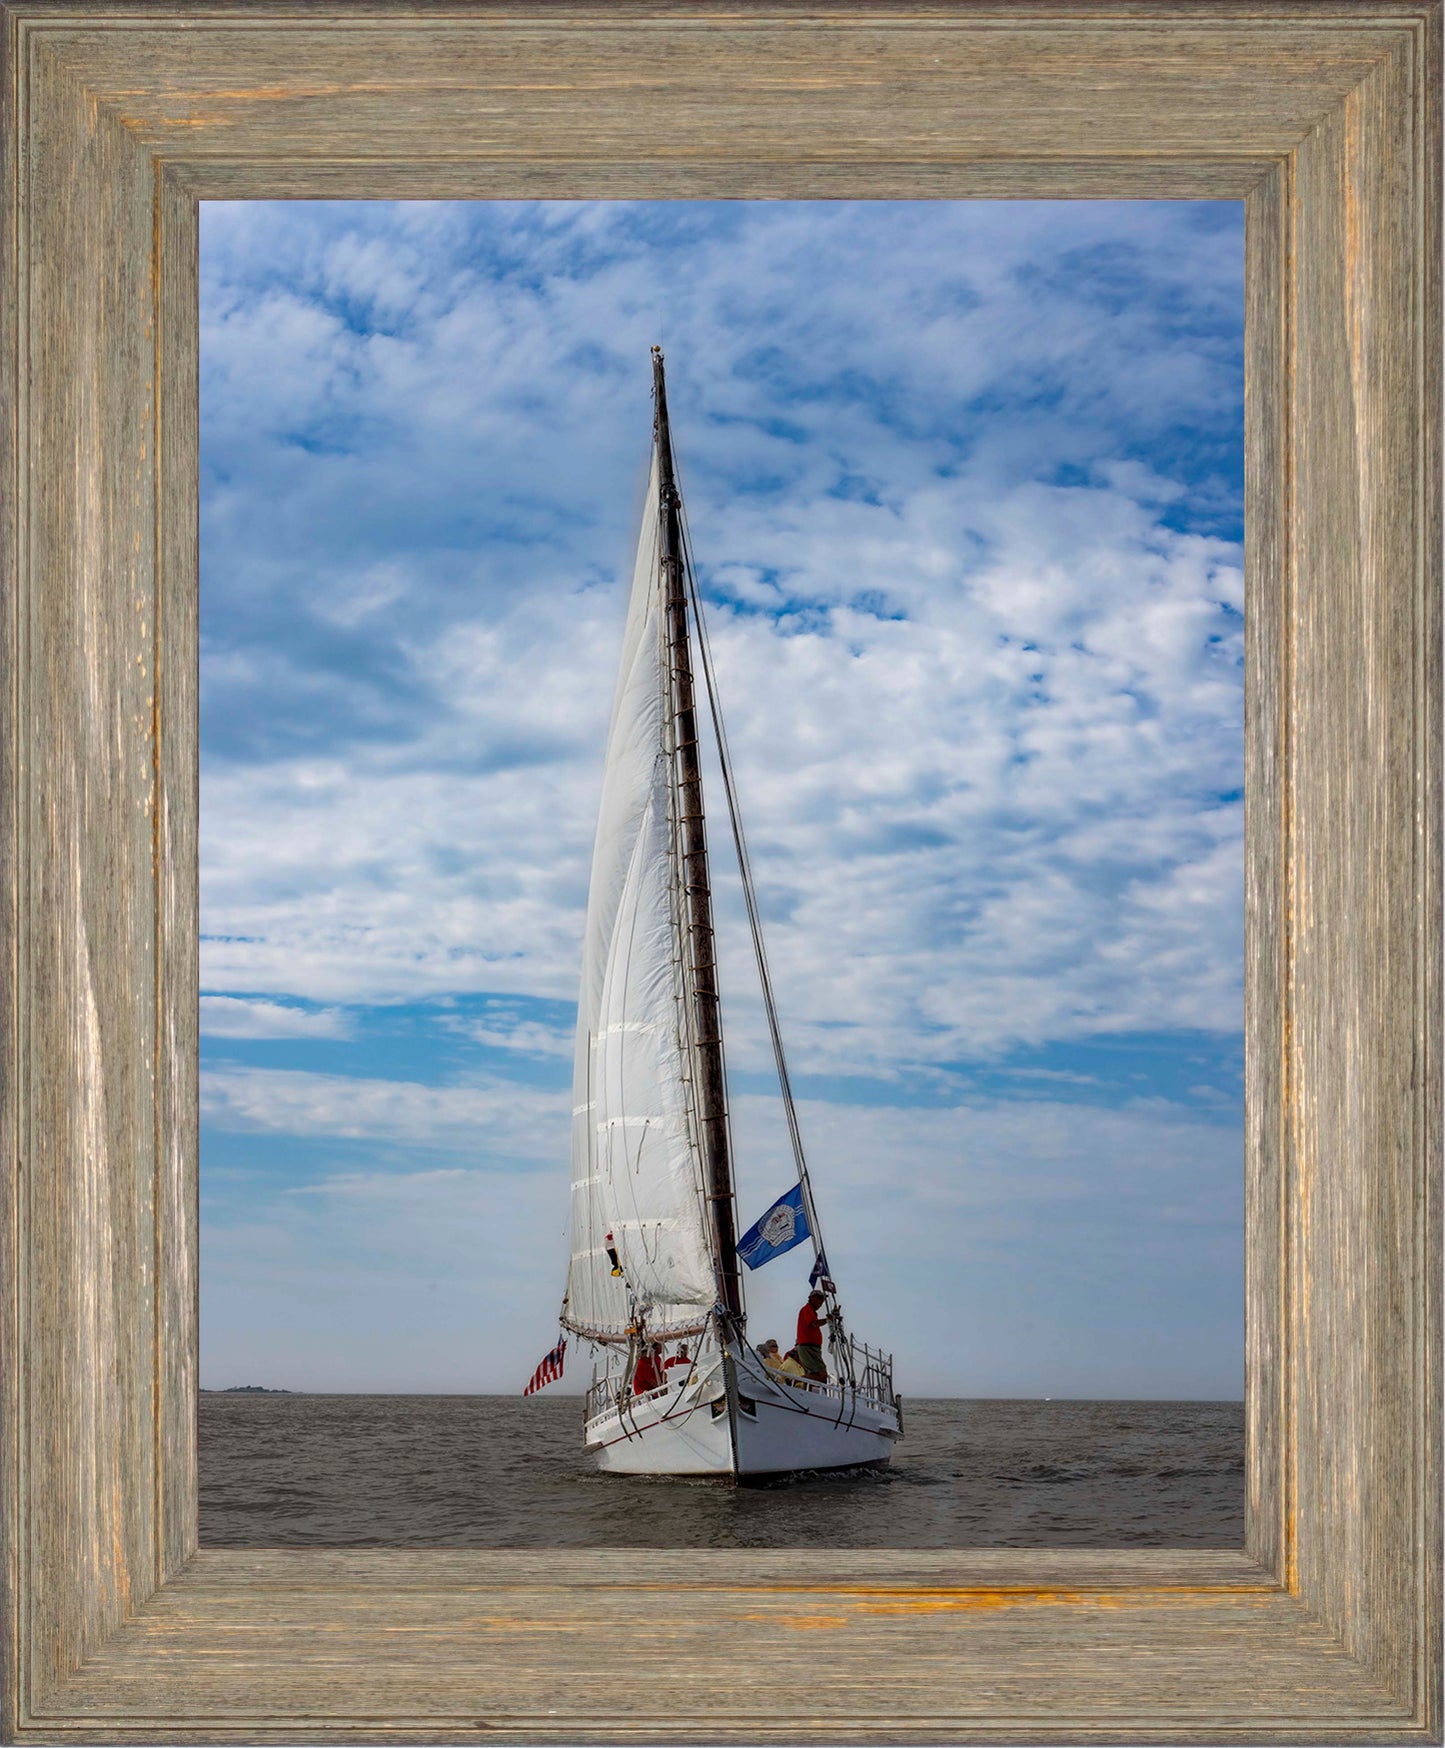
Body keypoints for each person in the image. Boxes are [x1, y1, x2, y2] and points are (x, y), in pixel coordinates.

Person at [794, 1289, 834, 1383]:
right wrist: (828, 1319)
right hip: (808, 1347)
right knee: (821, 1375)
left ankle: (801, 1385)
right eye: (819, 1298)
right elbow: (814, 1324)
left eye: (822, 1300)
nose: (821, 1302)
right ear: (812, 1298)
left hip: (811, 1347)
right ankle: (795, 1381)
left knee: (816, 1374)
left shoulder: (811, 1312)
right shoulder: (807, 1310)